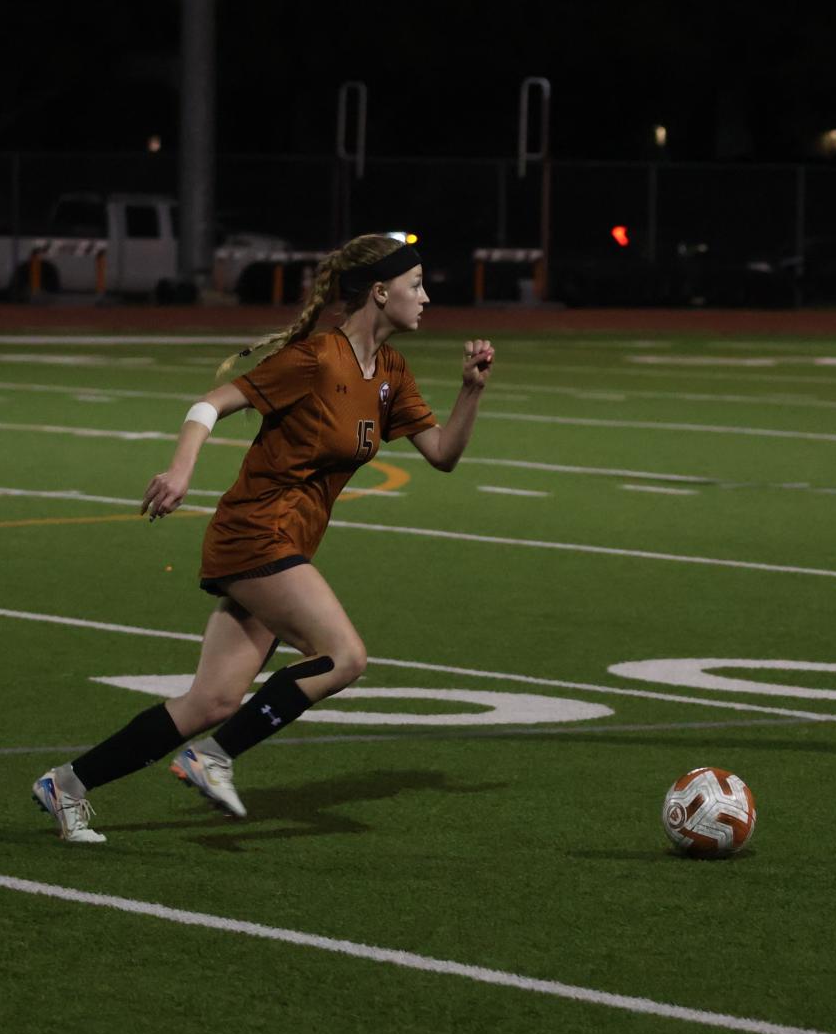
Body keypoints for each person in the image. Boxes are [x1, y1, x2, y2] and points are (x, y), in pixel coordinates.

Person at [30, 233, 496, 842]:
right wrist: (180, 470)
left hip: (284, 544)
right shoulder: (316, 358)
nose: (427, 298)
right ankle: (214, 758)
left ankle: (66, 785)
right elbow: (208, 405)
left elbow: (442, 455)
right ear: (381, 293)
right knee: (345, 656)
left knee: (211, 702)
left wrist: (471, 390)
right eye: (416, 286)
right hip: (256, 533)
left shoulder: (390, 372)